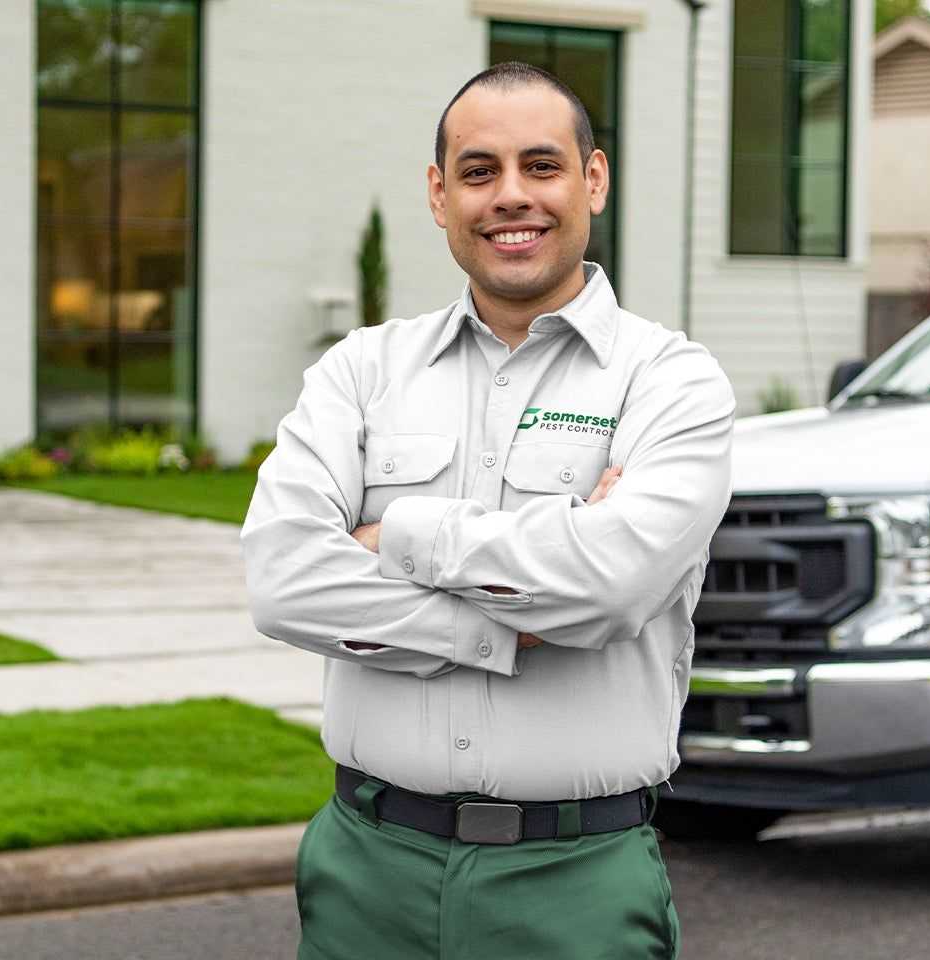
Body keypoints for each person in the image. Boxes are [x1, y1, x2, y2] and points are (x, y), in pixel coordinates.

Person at [239, 61, 735, 960]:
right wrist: (515, 623)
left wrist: (400, 536)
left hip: (575, 882)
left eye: (541, 167)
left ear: (593, 178)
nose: (511, 197)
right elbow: (283, 582)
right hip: (365, 873)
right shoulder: (362, 371)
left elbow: (616, 585)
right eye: (478, 172)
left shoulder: (669, 381)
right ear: (440, 194)